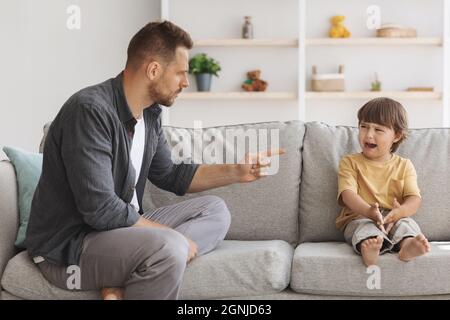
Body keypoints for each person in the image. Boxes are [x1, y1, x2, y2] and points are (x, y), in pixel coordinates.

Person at [26, 20, 284, 300]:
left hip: (121, 230)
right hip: (70, 247)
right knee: (169, 248)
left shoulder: (149, 114)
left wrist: (237, 171)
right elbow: (99, 209)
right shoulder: (90, 111)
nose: (186, 82)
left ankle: (121, 275)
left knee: (216, 211)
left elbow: (170, 175)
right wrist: (169, 237)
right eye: (181, 73)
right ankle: (143, 260)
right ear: (153, 70)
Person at [336, 97, 430, 267]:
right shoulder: (349, 162)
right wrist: (369, 212)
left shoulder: (404, 165)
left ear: (397, 136)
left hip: (393, 218)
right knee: (364, 229)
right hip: (359, 216)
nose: (369, 134)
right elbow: (347, 194)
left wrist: (399, 212)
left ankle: (407, 247)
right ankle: (370, 250)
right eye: (364, 126)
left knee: (407, 225)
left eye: (378, 129)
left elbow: (414, 200)